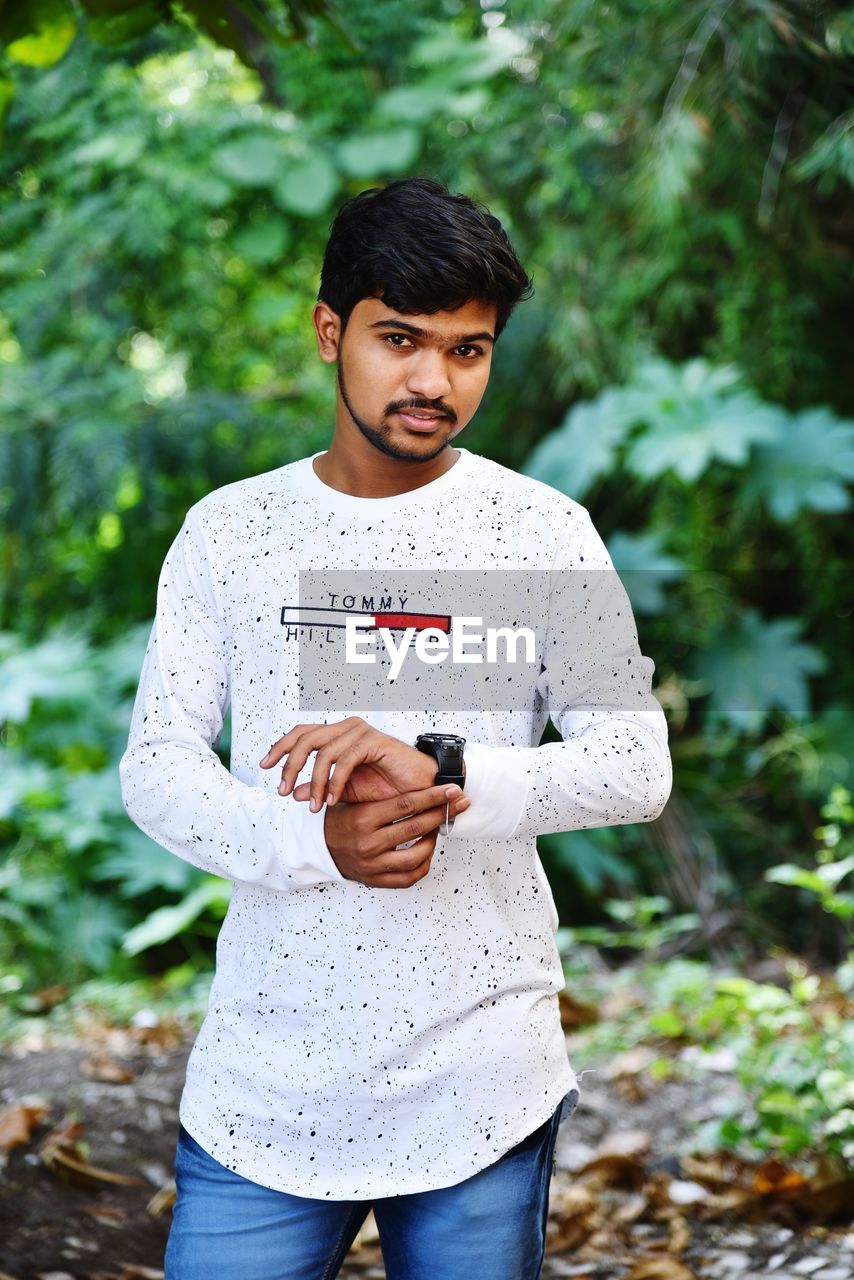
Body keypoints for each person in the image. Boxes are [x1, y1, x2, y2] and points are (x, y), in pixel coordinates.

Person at [119, 176, 672, 1280]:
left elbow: (633, 763)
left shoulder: (539, 532)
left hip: (481, 1075)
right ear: (331, 332)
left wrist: (442, 766)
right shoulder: (231, 532)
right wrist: (312, 844)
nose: (431, 380)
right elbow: (157, 764)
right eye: (399, 339)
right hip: (265, 1083)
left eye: (467, 350)